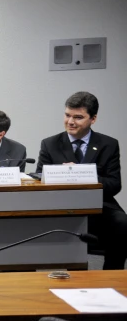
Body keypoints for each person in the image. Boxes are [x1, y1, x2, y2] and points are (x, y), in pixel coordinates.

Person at [37, 91, 127, 270]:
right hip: (61, 204)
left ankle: (112, 275)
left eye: (78, 117)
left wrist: (82, 174)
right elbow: (40, 179)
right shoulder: (50, 144)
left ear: (93, 119)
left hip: (99, 205)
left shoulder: (108, 144)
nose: (70, 122)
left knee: (122, 222)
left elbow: (114, 184)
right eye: (67, 115)